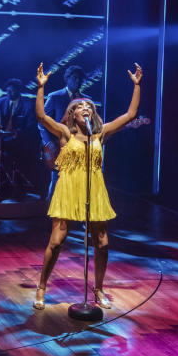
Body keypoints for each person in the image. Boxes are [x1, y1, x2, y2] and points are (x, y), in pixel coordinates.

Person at [32, 62, 142, 311]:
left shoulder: (99, 134)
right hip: (69, 188)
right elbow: (41, 116)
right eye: (79, 106)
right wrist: (41, 87)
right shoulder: (64, 133)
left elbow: (130, 116)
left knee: (102, 243)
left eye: (88, 107)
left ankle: (99, 288)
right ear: (71, 114)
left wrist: (137, 86)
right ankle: (41, 287)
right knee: (57, 241)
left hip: (95, 189)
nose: (85, 108)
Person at [38, 65, 90, 198]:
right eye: (74, 78)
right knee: (57, 182)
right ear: (67, 79)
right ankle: (53, 214)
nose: (78, 81)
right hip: (59, 147)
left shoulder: (87, 100)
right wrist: (48, 142)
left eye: (80, 79)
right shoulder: (55, 97)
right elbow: (42, 122)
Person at [0, 78, 39, 196]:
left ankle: (16, 184)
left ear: (18, 91)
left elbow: (32, 125)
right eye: (7, 91)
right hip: (0, 138)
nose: (9, 93)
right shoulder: (0, 102)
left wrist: (19, 133)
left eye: (12, 91)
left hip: (20, 140)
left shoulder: (28, 104)